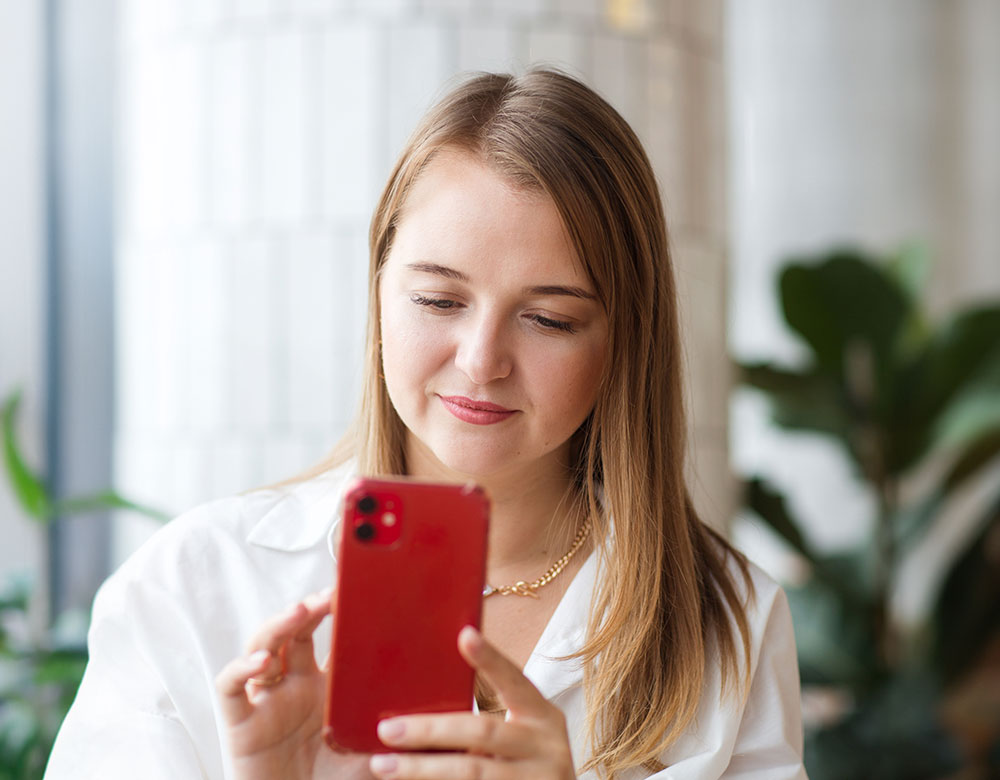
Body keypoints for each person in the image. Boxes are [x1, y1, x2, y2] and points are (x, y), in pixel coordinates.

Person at [46, 68, 807, 779]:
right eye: (440, 302)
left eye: (549, 319)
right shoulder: (195, 586)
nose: (481, 361)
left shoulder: (728, 623)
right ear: (379, 291)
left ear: (625, 340)